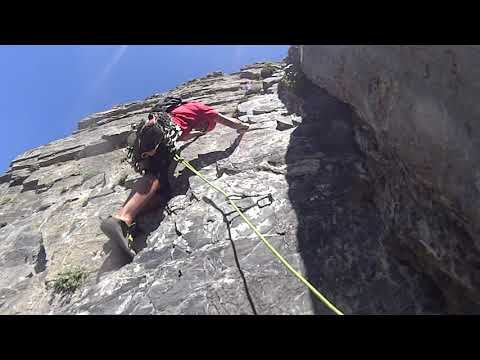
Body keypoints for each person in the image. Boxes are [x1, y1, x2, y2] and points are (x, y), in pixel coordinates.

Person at [101, 101, 249, 258]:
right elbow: (223, 119)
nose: (200, 129)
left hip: (156, 136)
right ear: (205, 120)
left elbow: (183, 134)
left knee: (162, 193)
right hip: (162, 138)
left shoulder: (179, 113)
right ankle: (122, 219)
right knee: (154, 176)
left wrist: (197, 133)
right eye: (203, 126)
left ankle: (129, 219)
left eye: (203, 130)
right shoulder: (201, 108)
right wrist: (242, 126)